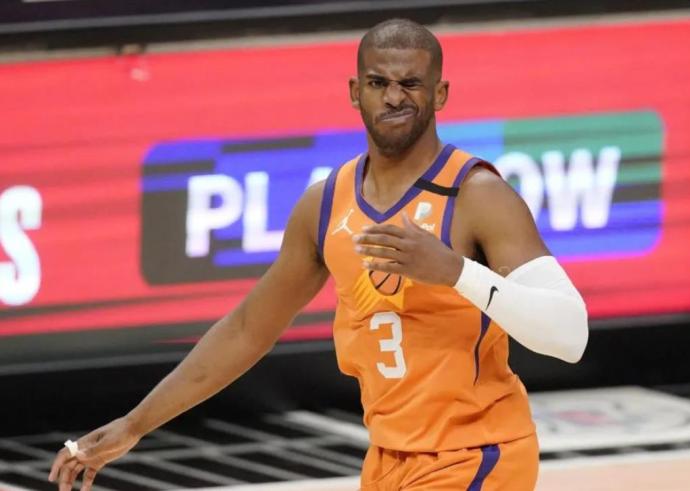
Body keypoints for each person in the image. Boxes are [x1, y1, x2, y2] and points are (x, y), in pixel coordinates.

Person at [49, 18, 588, 491]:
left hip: (478, 453)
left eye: (410, 84)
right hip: (388, 459)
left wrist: (455, 271)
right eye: (378, 83)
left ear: (440, 93)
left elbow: (569, 335)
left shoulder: (476, 195)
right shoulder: (325, 204)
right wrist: (134, 425)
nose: (393, 98)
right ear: (355, 91)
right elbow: (247, 330)